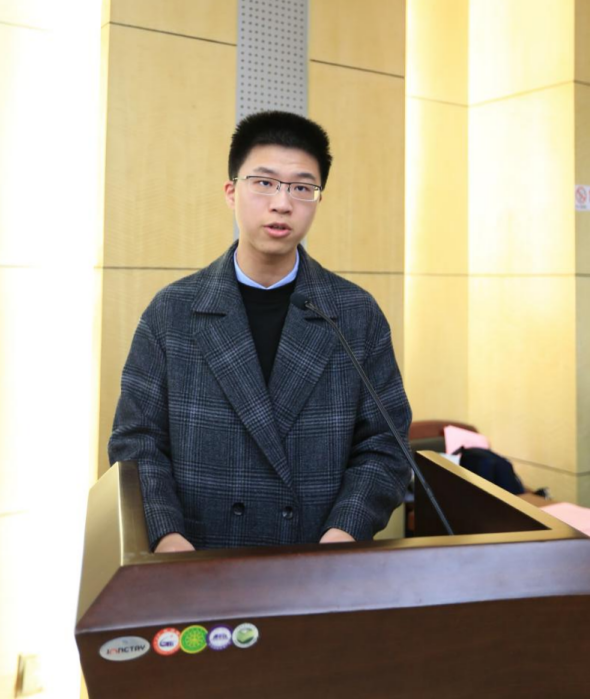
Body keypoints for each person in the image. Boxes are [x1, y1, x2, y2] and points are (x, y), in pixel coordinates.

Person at [108, 110, 412, 553]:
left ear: (318, 200)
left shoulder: (354, 314)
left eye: (302, 188)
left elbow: (385, 446)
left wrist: (344, 533)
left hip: (315, 561)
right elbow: (136, 443)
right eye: (264, 182)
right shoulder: (172, 311)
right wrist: (167, 536)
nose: (282, 203)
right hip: (198, 561)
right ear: (231, 192)